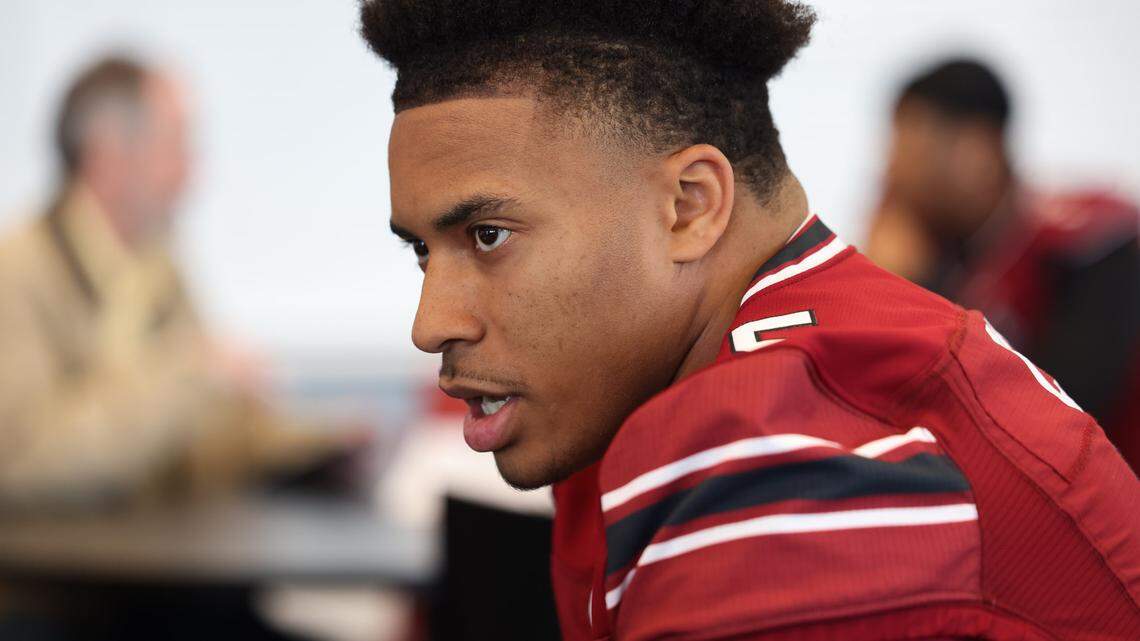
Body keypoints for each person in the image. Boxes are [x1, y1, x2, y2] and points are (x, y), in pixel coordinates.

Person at [360, 2, 1140, 640]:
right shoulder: (769, 370)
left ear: (689, 206)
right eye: (424, 253)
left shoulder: (773, 454)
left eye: (488, 236)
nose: (431, 324)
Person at [0, 55, 349, 510]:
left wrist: (315, 442)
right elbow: (21, 462)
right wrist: (192, 374)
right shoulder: (18, 271)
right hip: (52, 571)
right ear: (108, 156)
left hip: (147, 556)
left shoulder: (156, 265)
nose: (192, 173)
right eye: (175, 147)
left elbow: (193, 440)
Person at [867, 59, 1140, 468]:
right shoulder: (955, 249)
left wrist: (916, 286)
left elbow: (1057, 417)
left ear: (979, 147)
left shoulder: (1090, 243)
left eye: (915, 153)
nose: (893, 173)